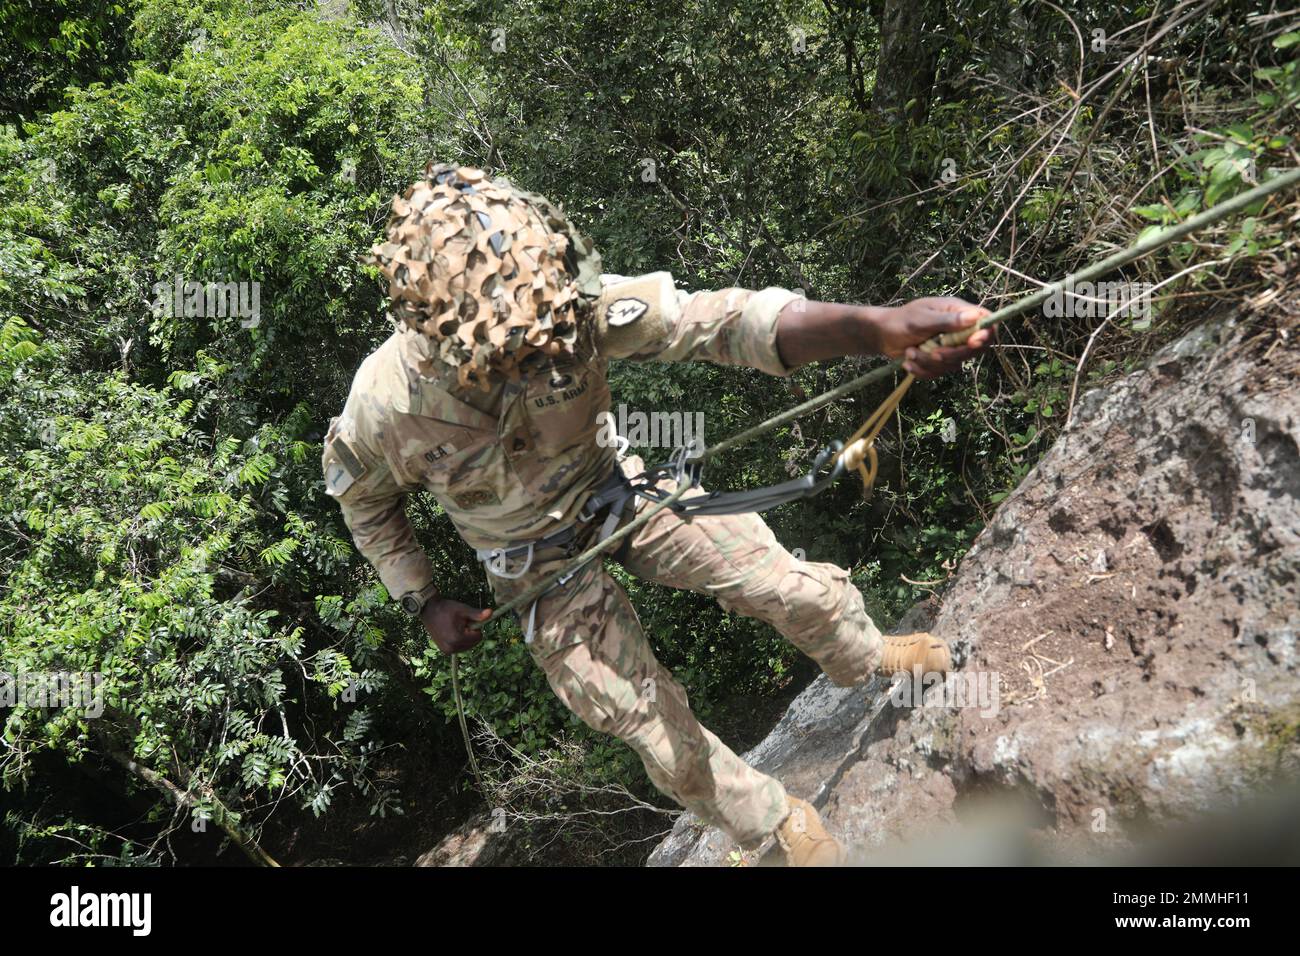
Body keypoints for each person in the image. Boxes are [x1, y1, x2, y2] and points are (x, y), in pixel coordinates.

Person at [322, 164, 992, 865]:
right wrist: (423, 598)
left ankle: (869, 654)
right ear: (438, 331)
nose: (531, 360)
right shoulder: (385, 406)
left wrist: (877, 328)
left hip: (618, 492)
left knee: (773, 578)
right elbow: (363, 501)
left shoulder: (564, 301)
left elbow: (721, 323)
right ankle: (770, 825)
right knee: (648, 722)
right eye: (507, 356)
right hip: (534, 568)